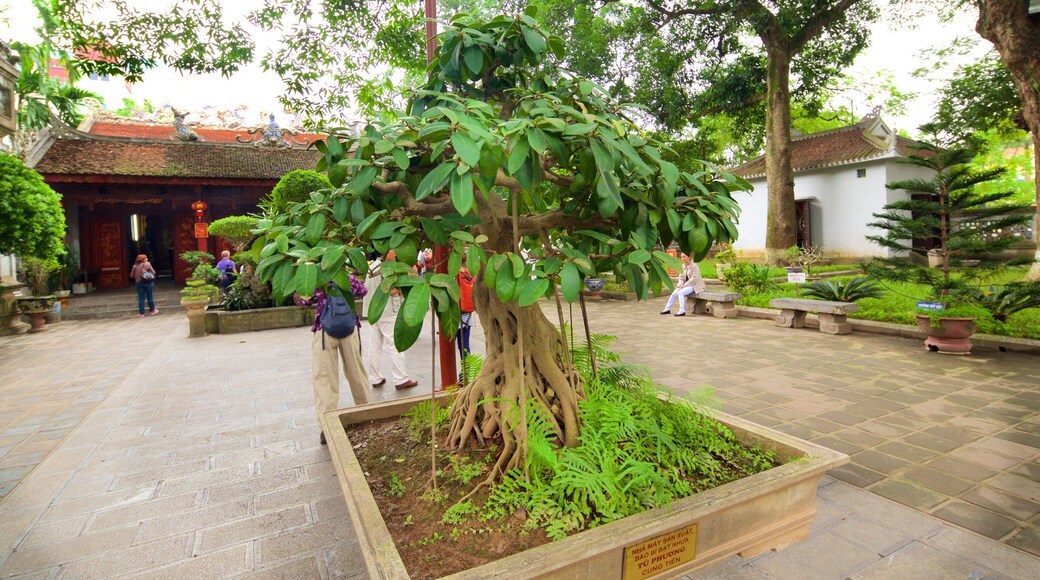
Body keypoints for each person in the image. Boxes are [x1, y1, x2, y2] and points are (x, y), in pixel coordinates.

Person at [298, 274, 370, 445]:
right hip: (349, 328)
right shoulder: (349, 278)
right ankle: (367, 414)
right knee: (356, 374)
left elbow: (304, 301)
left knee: (324, 379)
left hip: (324, 331)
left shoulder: (317, 279)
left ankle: (327, 426)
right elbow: (363, 291)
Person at [366, 249, 419, 390]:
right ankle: (400, 379)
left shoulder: (372, 267)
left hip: (373, 313)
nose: (395, 253)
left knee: (374, 346)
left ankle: (375, 377)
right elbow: (389, 290)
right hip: (387, 311)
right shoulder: (385, 268)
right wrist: (408, 280)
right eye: (392, 250)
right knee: (395, 344)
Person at [456, 255, 475, 373]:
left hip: (455, 315)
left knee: (453, 347)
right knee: (465, 346)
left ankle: (460, 377)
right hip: (467, 314)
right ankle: (466, 374)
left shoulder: (454, 275)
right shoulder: (468, 274)